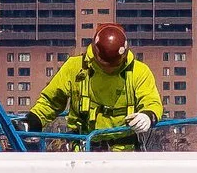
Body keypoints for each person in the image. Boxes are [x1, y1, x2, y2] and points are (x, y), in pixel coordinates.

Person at [24, 24, 163, 150]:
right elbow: (51, 101)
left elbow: (152, 101)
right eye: (105, 65)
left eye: (114, 65)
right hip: (84, 149)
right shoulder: (75, 68)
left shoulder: (139, 72)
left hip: (125, 152)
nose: (109, 69)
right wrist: (33, 120)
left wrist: (148, 116)